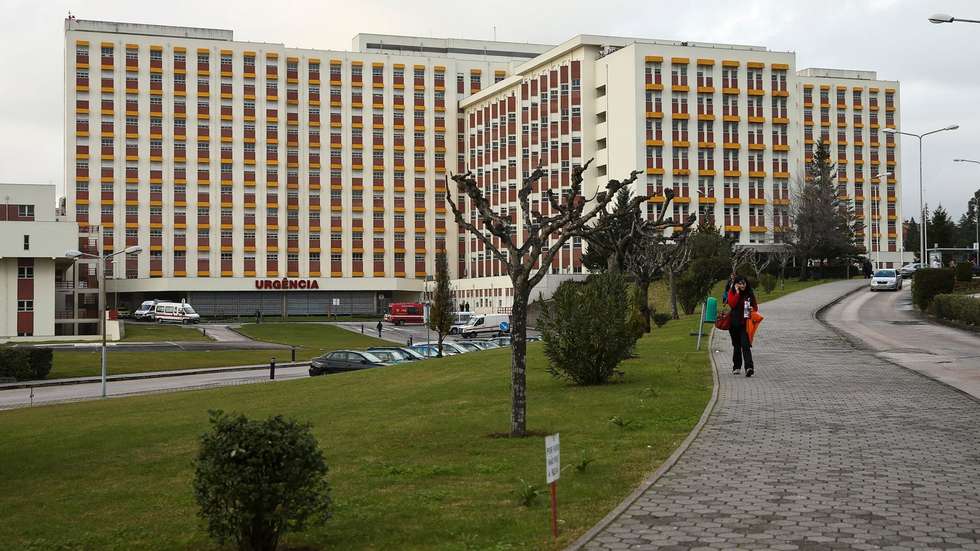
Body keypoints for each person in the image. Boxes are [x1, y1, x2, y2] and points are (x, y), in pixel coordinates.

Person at [724, 275, 759, 377]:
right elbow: (732, 304)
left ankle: (749, 367)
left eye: (744, 283)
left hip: (745, 324)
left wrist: (753, 309)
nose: (742, 285)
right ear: (736, 284)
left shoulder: (749, 293)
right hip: (733, 324)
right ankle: (737, 367)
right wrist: (737, 293)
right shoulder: (733, 292)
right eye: (740, 283)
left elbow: (755, 307)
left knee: (745, 345)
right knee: (736, 346)